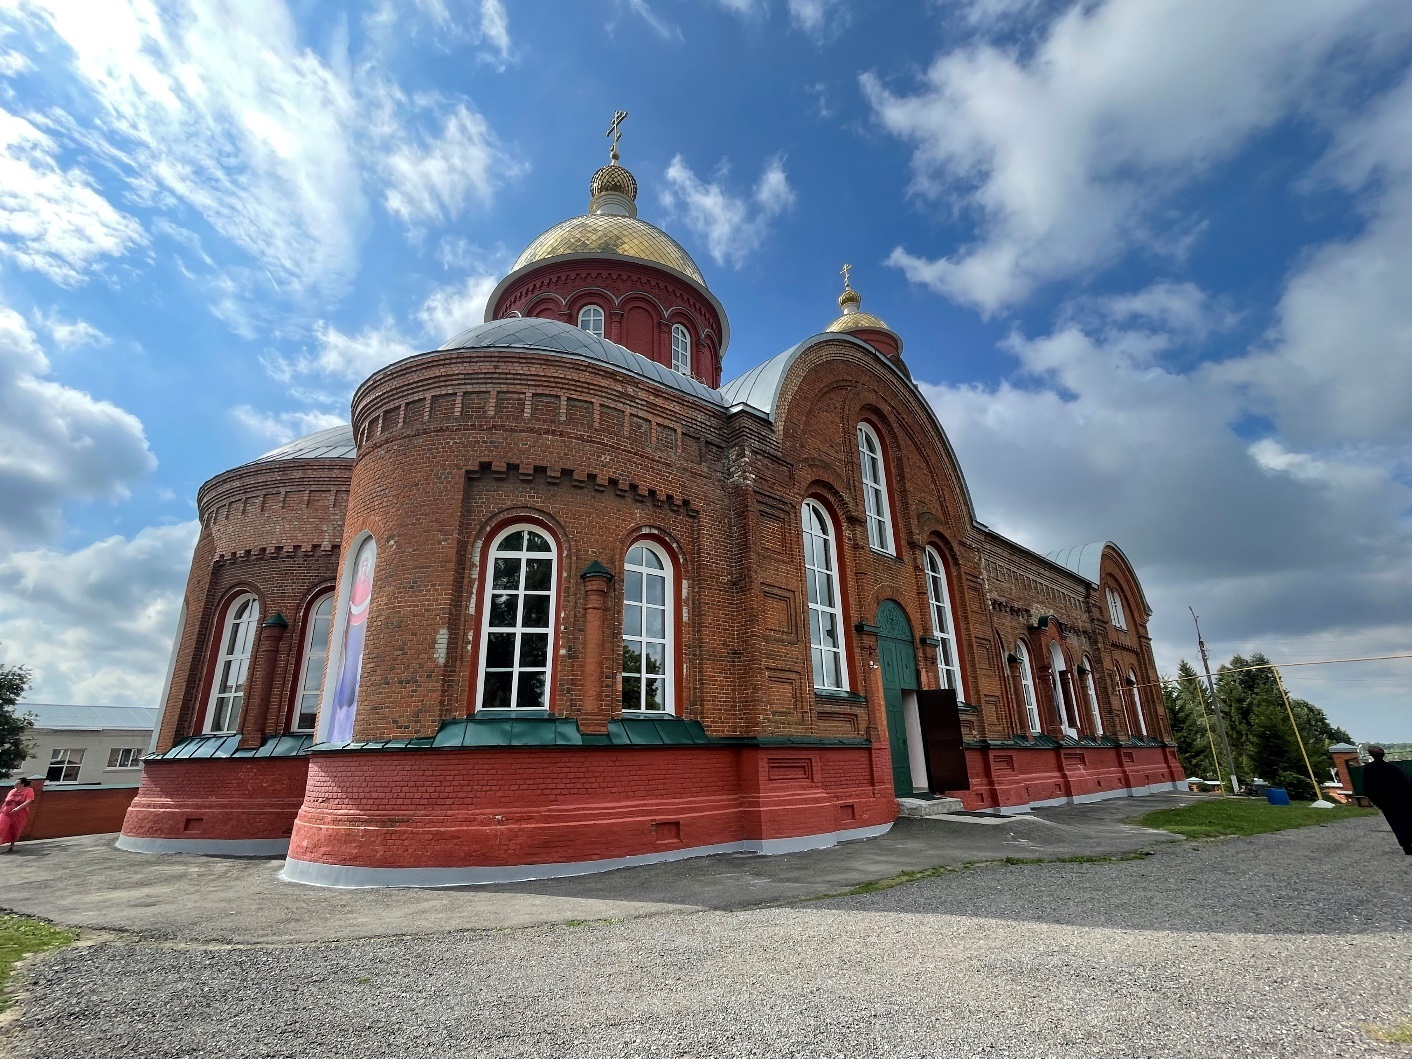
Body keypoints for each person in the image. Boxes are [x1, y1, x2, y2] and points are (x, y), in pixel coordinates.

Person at [1361, 746, 1412, 855]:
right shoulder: (1393, 768)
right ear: (1383, 754)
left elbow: (1368, 787)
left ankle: (1406, 846)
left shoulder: (1368, 769)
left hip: (1385, 802)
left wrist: (1376, 801)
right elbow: (1406, 783)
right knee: (1408, 821)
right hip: (1402, 799)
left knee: (1396, 823)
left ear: (1371, 755)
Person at [0, 776, 36, 852]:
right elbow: (6, 802)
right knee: (1, 827)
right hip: (6, 813)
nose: (15, 784)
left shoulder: (29, 790)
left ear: (22, 784)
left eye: (17, 783)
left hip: (19, 814)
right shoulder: (12, 791)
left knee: (15, 830)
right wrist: (1, 810)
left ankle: (11, 845)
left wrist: (18, 808)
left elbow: (28, 801)